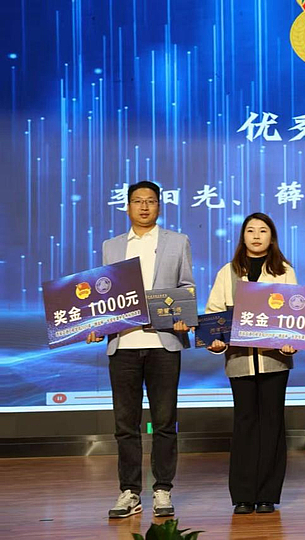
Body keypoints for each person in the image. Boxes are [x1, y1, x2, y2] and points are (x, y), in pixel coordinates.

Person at [86, 180, 195, 519]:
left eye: (150, 201)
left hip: (164, 344)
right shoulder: (111, 246)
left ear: (159, 205)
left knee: (164, 423)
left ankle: (162, 489)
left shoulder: (178, 241)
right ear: (128, 206)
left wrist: (183, 316)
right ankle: (130, 492)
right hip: (124, 345)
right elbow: (103, 296)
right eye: (137, 201)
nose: (144, 206)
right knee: (125, 425)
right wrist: (95, 325)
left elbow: (186, 286)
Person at [205, 212, 297, 515]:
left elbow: (297, 316)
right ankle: (243, 496)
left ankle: (268, 494)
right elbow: (214, 314)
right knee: (244, 424)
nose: (256, 236)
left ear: (272, 237)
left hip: (274, 361)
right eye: (250, 231)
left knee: (272, 423)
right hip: (239, 360)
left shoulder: (284, 271)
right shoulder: (228, 272)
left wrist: (293, 341)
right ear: (242, 236)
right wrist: (215, 341)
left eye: (263, 231)